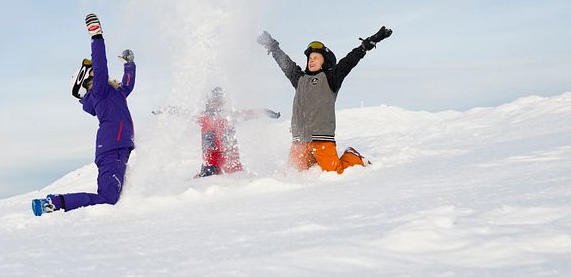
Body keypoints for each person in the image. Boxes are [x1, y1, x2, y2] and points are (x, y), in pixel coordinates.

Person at [32, 13, 136, 216]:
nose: (98, 75)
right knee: (108, 198)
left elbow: (128, 85)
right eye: (93, 75)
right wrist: (96, 36)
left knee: (115, 197)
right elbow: (101, 65)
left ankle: (55, 202)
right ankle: (53, 203)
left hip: (118, 148)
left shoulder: (114, 93)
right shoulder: (99, 92)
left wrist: (129, 64)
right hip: (111, 149)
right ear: (87, 82)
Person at [256, 26, 392, 173]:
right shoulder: (299, 79)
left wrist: (366, 45)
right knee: (292, 174)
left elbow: (348, 62)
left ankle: (352, 156)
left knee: (334, 172)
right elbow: (286, 64)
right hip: (300, 140)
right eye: (309, 58)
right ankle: (314, 163)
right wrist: (272, 46)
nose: (311, 60)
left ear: (325, 61)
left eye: (315, 58)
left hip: (322, 140)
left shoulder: (331, 78)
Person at [153, 87, 281, 177]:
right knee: (207, 181)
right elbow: (182, 112)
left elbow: (251, 113)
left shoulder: (230, 116)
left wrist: (267, 112)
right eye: (213, 101)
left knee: (236, 179)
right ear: (209, 103)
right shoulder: (202, 117)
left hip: (231, 159)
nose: (216, 105)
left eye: (219, 102)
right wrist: (165, 109)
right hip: (211, 161)